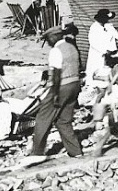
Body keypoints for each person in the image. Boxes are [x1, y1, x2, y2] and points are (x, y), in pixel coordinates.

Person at [23, 24, 83, 164]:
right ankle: (75, 151)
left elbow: (56, 73)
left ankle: (37, 152)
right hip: (74, 84)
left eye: (48, 39)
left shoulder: (56, 51)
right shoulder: (72, 47)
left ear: (53, 37)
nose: (48, 42)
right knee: (63, 120)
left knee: (43, 117)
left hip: (61, 86)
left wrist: (55, 93)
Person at [86, 9, 118, 92]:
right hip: (98, 53)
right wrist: (104, 51)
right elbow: (93, 42)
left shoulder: (109, 25)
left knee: (114, 68)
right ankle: (95, 87)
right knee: (97, 69)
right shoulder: (94, 27)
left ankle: (113, 84)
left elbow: (116, 35)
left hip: (111, 52)